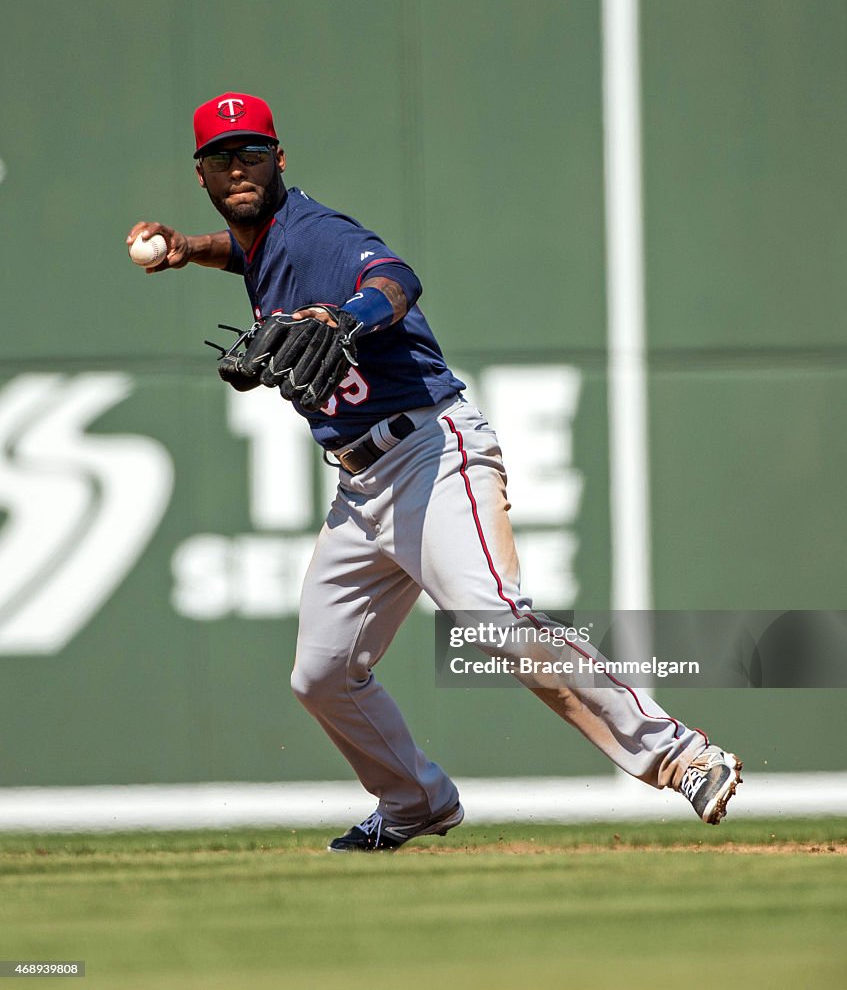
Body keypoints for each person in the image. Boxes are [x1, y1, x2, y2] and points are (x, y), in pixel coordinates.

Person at [127, 91, 743, 851]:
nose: (238, 166)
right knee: (321, 676)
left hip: (430, 451)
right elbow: (247, 251)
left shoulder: (318, 233)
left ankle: (681, 755)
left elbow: (393, 277)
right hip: (360, 489)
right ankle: (416, 804)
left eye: (252, 151)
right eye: (221, 156)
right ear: (202, 174)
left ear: (278, 158)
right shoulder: (261, 241)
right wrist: (191, 247)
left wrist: (345, 318)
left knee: (494, 619)